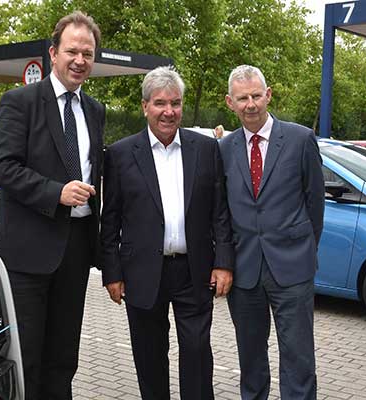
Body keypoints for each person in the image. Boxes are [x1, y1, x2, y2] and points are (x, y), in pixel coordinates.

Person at [0, 11, 105, 400]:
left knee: (63, 356)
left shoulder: (94, 110)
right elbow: (3, 168)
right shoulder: (20, 101)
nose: (80, 60)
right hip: (27, 252)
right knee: (28, 356)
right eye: (72, 51)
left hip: (75, 249)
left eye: (87, 53)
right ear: (53, 53)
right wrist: (55, 192)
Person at [100, 66, 234, 400]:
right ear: (145, 106)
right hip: (142, 272)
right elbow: (110, 219)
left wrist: (224, 262)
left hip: (195, 271)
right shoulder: (119, 155)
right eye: (160, 103)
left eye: (175, 103)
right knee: (149, 355)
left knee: (197, 352)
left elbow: (220, 211)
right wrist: (111, 273)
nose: (168, 111)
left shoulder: (205, 149)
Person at [219, 65, 325, 400]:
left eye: (255, 96)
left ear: (268, 95)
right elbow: (221, 211)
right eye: (242, 98)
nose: (250, 104)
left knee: (298, 359)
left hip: (292, 269)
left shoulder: (299, 139)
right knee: (250, 359)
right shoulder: (223, 149)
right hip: (245, 269)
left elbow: (315, 203)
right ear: (229, 103)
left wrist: (305, 248)